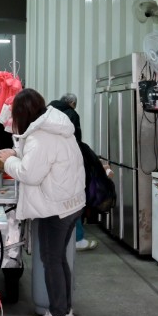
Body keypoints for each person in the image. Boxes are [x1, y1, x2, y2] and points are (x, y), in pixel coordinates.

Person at [0, 88, 85, 316]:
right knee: (59, 259)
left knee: (51, 260)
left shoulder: (39, 136)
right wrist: (17, 153)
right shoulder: (56, 126)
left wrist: (8, 161)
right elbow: (41, 159)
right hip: (71, 204)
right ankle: (65, 311)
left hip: (54, 209)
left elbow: (30, 174)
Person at [48, 93, 97, 252]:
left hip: (50, 163)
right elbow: (75, 140)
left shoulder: (49, 110)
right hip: (67, 163)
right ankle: (77, 239)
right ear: (72, 103)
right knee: (74, 200)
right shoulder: (72, 114)